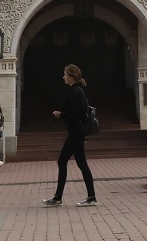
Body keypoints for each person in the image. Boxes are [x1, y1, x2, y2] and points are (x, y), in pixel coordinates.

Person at [42, 64, 97, 208]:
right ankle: (59, 197)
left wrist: (61, 115)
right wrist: (60, 115)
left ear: (72, 76)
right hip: (75, 133)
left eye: (65, 74)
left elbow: (77, 114)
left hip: (76, 133)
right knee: (66, 162)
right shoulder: (75, 90)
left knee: (79, 163)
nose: (63, 77)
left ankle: (90, 197)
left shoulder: (76, 91)